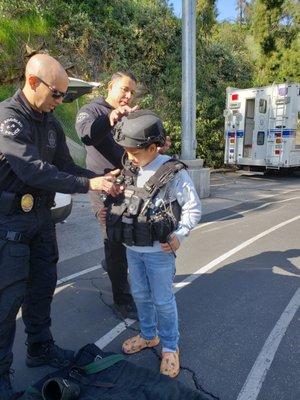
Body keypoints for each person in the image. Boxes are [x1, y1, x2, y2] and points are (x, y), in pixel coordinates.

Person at [0, 54, 120, 399]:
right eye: (57, 95)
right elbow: (33, 170)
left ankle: (40, 347)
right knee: (8, 300)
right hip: (9, 221)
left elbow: (66, 166)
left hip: (40, 218)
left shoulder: (49, 121)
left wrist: (100, 179)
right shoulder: (9, 119)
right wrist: (88, 187)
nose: (60, 102)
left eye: (65, 97)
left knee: (42, 287)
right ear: (33, 81)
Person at [105, 110, 202, 378]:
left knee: (163, 300)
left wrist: (179, 235)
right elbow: (125, 204)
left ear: (152, 147)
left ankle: (171, 347)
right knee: (140, 296)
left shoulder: (172, 173)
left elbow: (193, 208)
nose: (129, 157)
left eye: (134, 151)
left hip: (159, 252)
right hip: (133, 250)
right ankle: (149, 336)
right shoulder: (129, 168)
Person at [75, 71, 139, 319]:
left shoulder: (129, 115)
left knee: (129, 237)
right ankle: (122, 300)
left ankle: (112, 268)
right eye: (124, 89)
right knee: (114, 243)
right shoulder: (93, 111)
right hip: (103, 188)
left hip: (128, 187)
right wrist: (110, 118)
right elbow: (87, 133)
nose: (128, 95)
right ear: (111, 86)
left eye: (132, 91)